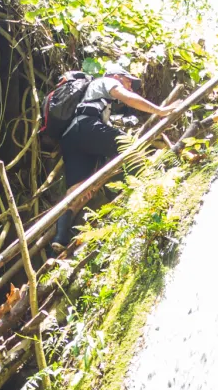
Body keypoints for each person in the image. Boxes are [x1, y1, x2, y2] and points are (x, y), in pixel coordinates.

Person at [52, 62, 182, 254]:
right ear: (116, 77)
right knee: (128, 146)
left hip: (71, 137)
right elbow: (127, 97)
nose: (130, 86)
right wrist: (161, 111)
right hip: (85, 128)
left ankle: (59, 240)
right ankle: (148, 186)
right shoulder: (105, 81)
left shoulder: (97, 100)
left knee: (77, 191)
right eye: (128, 81)